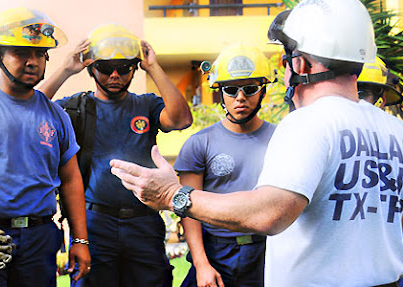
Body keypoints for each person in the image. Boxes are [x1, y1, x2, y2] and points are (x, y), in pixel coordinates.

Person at [110, 0, 403, 286]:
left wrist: (173, 195)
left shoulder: (308, 122)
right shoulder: (394, 130)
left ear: (299, 63)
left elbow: (269, 213)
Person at [39, 23, 193, 286]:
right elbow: (31, 113)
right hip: (95, 222)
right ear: (91, 69)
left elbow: (180, 119)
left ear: (134, 69)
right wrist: (65, 68)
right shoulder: (75, 107)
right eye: (105, 68)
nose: (114, 75)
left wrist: (153, 66)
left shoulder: (146, 104)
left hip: (143, 221)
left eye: (123, 68)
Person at [0, 7, 90, 286]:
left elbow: (70, 180)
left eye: (40, 54)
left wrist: (79, 239)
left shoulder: (57, 115)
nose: (33, 62)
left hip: (40, 239)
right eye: (21, 53)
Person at [175, 43, 275, 287]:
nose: (240, 97)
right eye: (231, 89)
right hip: (216, 252)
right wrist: (201, 265)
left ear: (262, 91)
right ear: (220, 93)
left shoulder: (281, 139)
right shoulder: (199, 143)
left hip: (267, 252)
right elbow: (188, 209)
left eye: (249, 89)